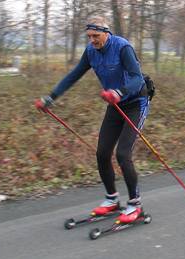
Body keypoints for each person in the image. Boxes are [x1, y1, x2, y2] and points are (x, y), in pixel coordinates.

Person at [35, 16, 150, 224]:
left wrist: (119, 91)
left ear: (107, 33)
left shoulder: (122, 47)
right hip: (115, 105)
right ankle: (112, 199)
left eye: (96, 36)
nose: (92, 40)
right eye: (89, 36)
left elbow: (137, 78)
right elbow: (74, 75)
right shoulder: (91, 52)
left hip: (135, 103)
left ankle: (135, 204)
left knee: (123, 154)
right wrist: (50, 97)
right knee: (102, 153)